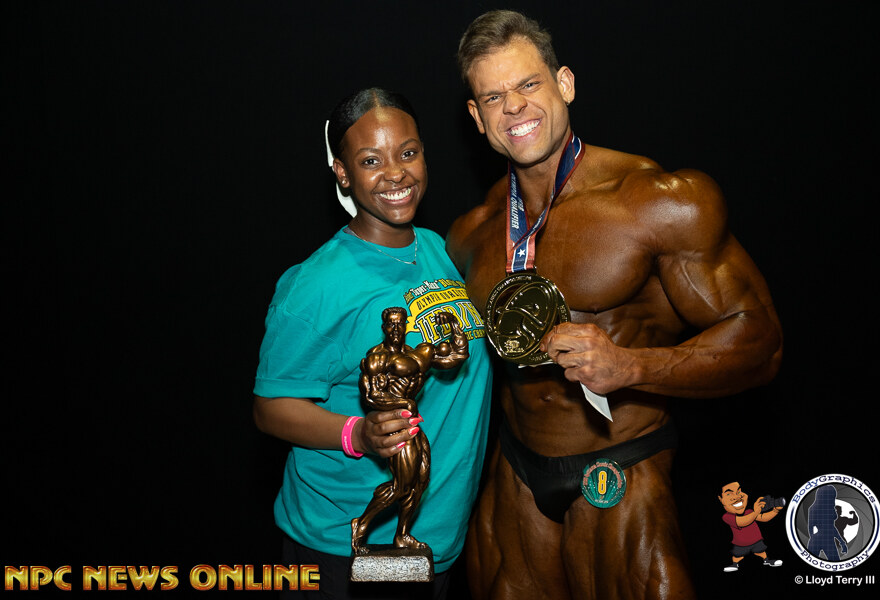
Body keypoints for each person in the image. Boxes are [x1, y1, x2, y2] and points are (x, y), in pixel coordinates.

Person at [447, 10, 783, 600]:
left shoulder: (655, 201)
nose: (514, 107)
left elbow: (762, 344)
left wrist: (632, 366)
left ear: (565, 84)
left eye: (528, 84)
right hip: (516, 474)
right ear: (477, 117)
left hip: (622, 463)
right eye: (494, 97)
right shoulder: (470, 234)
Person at [253, 87, 492, 599]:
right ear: (342, 173)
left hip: (434, 543)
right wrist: (357, 434)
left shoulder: (438, 249)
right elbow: (269, 409)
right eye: (370, 160)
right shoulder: (316, 286)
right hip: (350, 553)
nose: (396, 173)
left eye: (408, 152)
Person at [352, 308, 469, 554]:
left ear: (406, 326)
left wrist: (454, 325)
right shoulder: (377, 358)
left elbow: (458, 355)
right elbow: (371, 395)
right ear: (384, 328)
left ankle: (402, 535)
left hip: (412, 424)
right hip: (394, 426)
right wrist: (402, 403)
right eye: (391, 325)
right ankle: (361, 524)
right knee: (402, 486)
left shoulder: (417, 353)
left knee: (421, 482)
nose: (395, 329)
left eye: (400, 324)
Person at [718, 482, 783, 572]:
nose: (737, 497)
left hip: (756, 541)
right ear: (720, 499)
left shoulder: (749, 512)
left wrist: (775, 510)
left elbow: (763, 518)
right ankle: (734, 564)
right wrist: (756, 512)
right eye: (729, 494)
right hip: (741, 544)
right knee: (737, 555)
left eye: (739, 492)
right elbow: (742, 522)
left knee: (761, 551)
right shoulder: (727, 516)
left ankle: (767, 560)